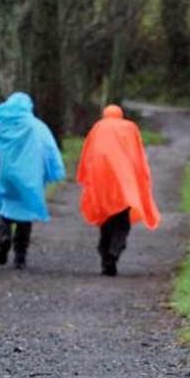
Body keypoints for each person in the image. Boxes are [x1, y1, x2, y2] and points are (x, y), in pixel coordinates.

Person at [76, 105, 160, 276]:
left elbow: (88, 154)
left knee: (106, 221)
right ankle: (115, 250)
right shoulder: (130, 128)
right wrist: (138, 178)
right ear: (120, 115)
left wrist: (85, 176)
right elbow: (138, 156)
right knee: (121, 222)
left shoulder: (98, 128)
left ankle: (105, 255)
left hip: (101, 182)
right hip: (124, 182)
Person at [0, 92, 65, 270]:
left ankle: (3, 238)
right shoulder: (37, 126)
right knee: (25, 216)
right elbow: (49, 149)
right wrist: (55, 172)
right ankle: (20, 256)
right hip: (28, 176)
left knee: (4, 208)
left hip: (3, 174)